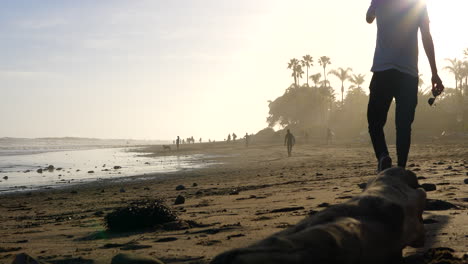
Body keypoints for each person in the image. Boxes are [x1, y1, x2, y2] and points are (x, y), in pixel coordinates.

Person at [366, 0, 444, 171]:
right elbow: (426, 36)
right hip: (408, 74)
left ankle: (383, 156)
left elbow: (369, 18)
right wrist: (434, 72)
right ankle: (401, 167)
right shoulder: (418, 4)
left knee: (375, 121)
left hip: (383, 70)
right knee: (403, 125)